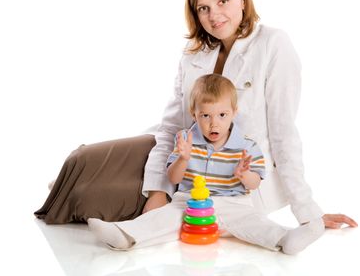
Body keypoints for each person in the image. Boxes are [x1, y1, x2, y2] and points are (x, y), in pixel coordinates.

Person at [35, 0, 357, 230]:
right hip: (178, 153)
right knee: (83, 158)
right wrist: (158, 187)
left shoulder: (274, 45)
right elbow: (170, 126)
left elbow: (285, 133)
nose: (214, 15)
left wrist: (308, 213)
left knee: (89, 197)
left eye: (223, 2)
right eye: (203, 8)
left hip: (216, 175)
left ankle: (73, 195)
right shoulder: (195, 53)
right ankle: (72, 185)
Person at [88, 74, 325, 254]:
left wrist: (245, 175)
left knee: (256, 223)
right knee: (162, 218)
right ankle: (124, 234)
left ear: (233, 112)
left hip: (234, 203)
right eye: (206, 116)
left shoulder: (247, 146)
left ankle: (285, 240)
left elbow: (254, 183)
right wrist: (183, 158)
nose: (214, 124)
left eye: (222, 115)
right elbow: (173, 179)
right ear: (194, 114)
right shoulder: (186, 140)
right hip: (189, 202)